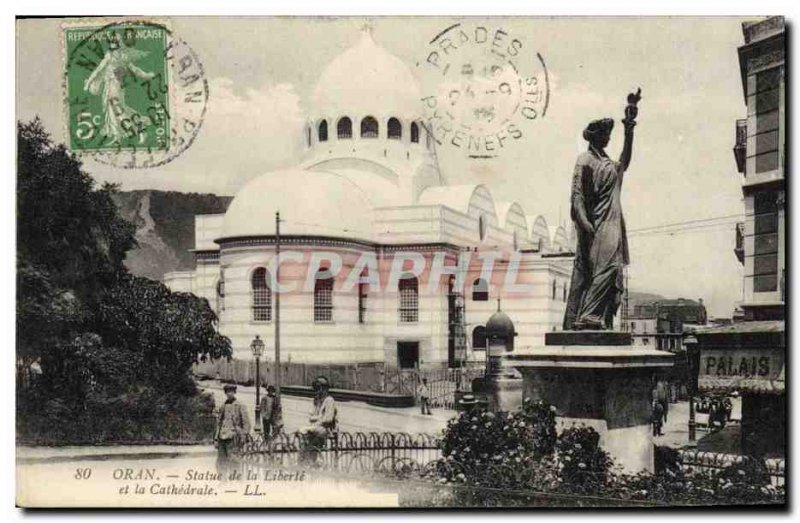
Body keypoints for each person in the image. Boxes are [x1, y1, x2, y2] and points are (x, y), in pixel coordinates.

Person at [563, 90, 640, 330]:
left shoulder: (609, 163)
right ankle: (587, 317)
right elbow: (576, 196)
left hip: (615, 223)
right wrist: (585, 224)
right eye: (605, 134)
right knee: (605, 268)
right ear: (594, 136)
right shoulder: (584, 160)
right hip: (598, 225)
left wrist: (629, 128)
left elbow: (624, 162)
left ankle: (600, 317)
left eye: (610, 134)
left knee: (613, 269)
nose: (608, 138)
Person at [215, 384, 251, 479]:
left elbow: (246, 423)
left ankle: (236, 480)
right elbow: (219, 422)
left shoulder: (240, 405)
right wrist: (216, 438)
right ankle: (223, 480)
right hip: (222, 436)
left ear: (234, 392)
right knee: (221, 460)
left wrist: (243, 436)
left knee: (234, 460)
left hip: (234, 436)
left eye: (231, 392)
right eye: (227, 392)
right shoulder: (223, 405)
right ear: (225, 393)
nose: (229, 394)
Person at [300, 376, 337, 465]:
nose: (316, 391)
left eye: (318, 388)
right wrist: (318, 418)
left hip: (327, 429)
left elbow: (328, 418)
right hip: (318, 427)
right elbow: (311, 416)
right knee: (302, 432)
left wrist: (317, 419)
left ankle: (310, 458)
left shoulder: (329, 400)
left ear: (324, 389)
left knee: (305, 431)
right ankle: (309, 458)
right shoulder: (317, 400)